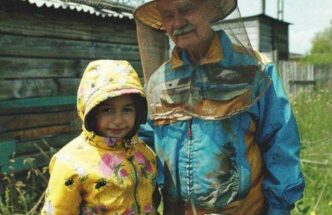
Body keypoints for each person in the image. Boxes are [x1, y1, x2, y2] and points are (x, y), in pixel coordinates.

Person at [133, 0, 305, 214]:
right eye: (168, 16)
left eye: (186, 9)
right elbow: (144, 151)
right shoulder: (158, 82)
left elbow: (281, 147)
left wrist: (278, 209)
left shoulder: (255, 70)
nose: (177, 23)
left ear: (211, 8)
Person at [41, 60, 157, 215]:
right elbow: (58, 211)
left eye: (127, 110)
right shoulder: (71, 163)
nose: (118, 120)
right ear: (90, 111)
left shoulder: (144, 153)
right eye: (107, 110)